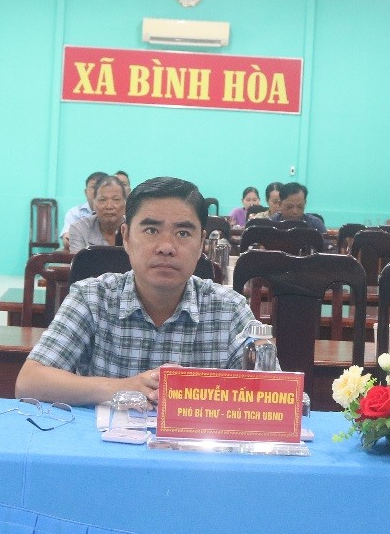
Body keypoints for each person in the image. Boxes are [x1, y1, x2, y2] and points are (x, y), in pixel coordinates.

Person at [15, 176, 257, 406]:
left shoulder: (230, 309)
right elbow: (29, 382)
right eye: (151, 230)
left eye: (183, 233)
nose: (166, 247)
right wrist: (124, 387)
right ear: (126, 237)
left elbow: (270, 394)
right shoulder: (91, 297)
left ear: (201, 243)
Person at [66, 175, 125, 253]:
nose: (109, 206)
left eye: (116, 199)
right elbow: (79, 260)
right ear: (94, 204)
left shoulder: (135, 228)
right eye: (102, 200)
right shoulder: (80, 229)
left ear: (125, 203)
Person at [60, 171, 108, 248]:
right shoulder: (75, 213)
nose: (97, 191)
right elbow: (66, 241)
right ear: (86, 192)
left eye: (101, 186)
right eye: (93, 187)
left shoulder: (116, 212)